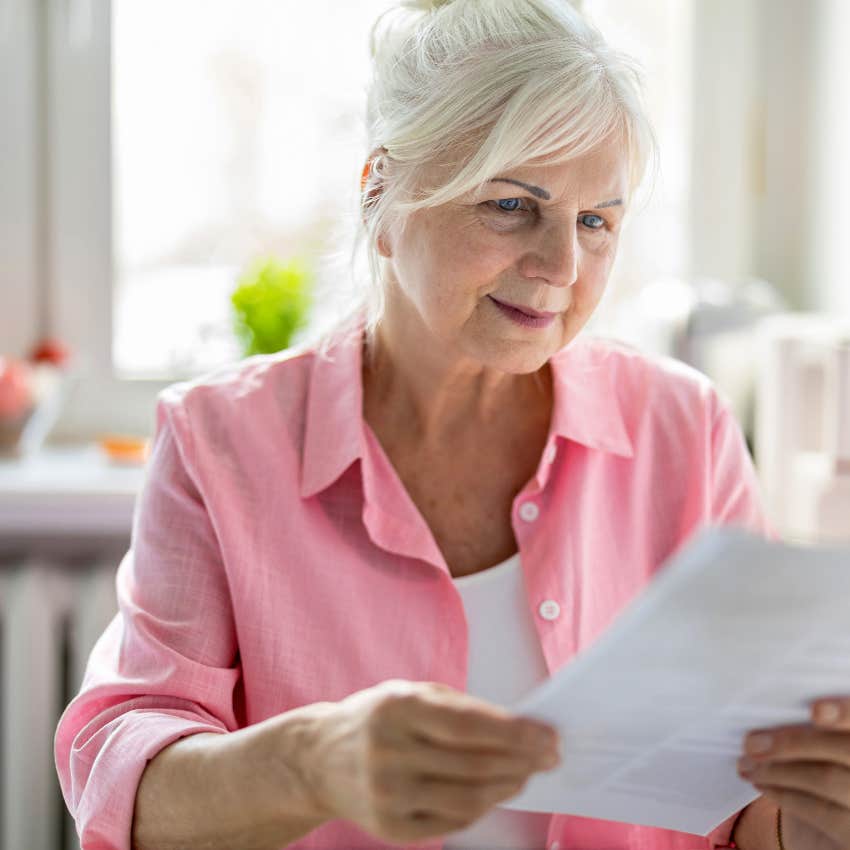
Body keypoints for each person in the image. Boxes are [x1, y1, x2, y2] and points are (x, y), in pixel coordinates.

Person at [53, 1, 850, 849]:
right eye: (511, 205)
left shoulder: (684, 431)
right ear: (382, 193)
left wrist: (811, 816)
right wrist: (312, 764)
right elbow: (124, 790)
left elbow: (745, 812)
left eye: (595, 221)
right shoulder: (220, 441)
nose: (560, 267)